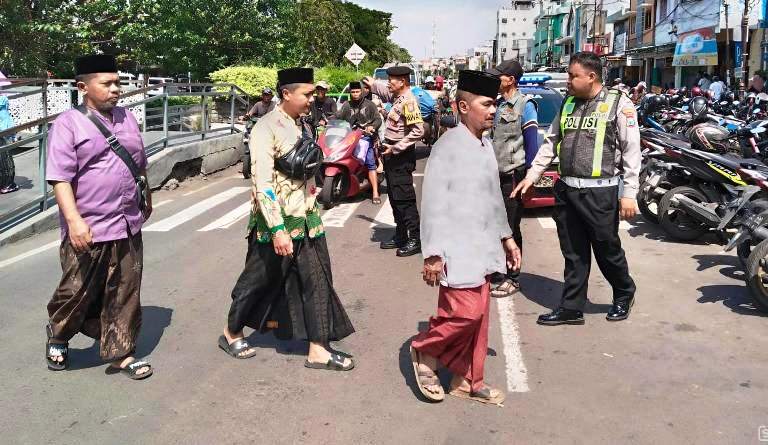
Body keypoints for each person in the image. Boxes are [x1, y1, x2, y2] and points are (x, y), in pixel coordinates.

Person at [221, 67, 355, 371]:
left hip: (308, 219)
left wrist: (315, 189)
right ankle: (231, 331)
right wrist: (278, 230)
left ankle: (318, 348)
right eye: (306, 94)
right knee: (257, 281)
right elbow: (262, 184)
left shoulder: (303, 125)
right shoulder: (265, 129)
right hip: (277, 225)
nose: (312, 99)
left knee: (317, 280)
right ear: (287, 94)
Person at [409, 70, 521, 405]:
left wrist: (507, 238)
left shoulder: (485, 145)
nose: (493, 111)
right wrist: (432, 252)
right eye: (486, 104)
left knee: (479, 319)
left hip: (482, 245)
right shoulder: (447, 147)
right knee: (464, 315)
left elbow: (493, 199)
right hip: (454, 247)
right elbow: (432, 204)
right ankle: (424, 353)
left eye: (495, 104)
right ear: (462, 106)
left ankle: (467, 381)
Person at [44, 54, 154, 379]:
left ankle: (122, 353)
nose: (115, 89)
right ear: (83, 87)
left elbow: (140, 162)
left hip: (127, 222)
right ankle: (59, 334)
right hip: (88, 226)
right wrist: (74, 221)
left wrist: (147, 198)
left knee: (125, 290)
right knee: (76, 291)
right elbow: (60, 178)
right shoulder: (68, 123)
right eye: (106, 83)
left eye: (117, 82)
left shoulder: (128, 119)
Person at [513, 51, 640, 326]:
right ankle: (571, 307)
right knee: (573, 252)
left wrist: (628, 193)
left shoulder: (618, 103)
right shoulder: (568, 102)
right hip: (567, 190)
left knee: (607, 249)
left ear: (591, 77)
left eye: (573, 75)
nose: (568, 81)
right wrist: (532, 176)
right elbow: (551, 142)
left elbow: (632, 151)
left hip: (600, 192)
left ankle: (624, 293)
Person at [487, 59, 539, 297]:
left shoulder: (525, 105)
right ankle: (498, 271)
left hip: (513, 176)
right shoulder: (497, 105)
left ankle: (513, 278)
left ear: (511, 80)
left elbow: (531, 145)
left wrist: (530, 179)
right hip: (494, 176)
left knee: (511, 228)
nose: (495, 80)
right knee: (495, 227)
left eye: (499, 76)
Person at [363, 67, 425, 257]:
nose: (389, 83)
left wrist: (396, 147)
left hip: (400, 156)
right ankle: (401, 235)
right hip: (391, 154)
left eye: (392, 80)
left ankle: (415, 239)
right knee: (394, 197)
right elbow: (384, 91)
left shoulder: (408, 102)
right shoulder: (397, 98)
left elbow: (418, 131)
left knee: (404, 198)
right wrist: (373, 84)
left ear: (403, 82)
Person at [336, 81, 383, 204]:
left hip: (366, 138)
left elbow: (378, 119)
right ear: (350, 93)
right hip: (349, 138)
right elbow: (338, 116)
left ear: (362, 92)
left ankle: (375, 193)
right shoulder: (347, 105)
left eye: (357, 91)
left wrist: (372, 126)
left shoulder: (370, 105)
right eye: (353, 92)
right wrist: (330, 120)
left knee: (370, 163)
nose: (355, 94)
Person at [0, 94, 18, 194]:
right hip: (4, 132)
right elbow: (8, 122)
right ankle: (7, 185)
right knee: (6, 160)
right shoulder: (3, 100)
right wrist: (13, 135)